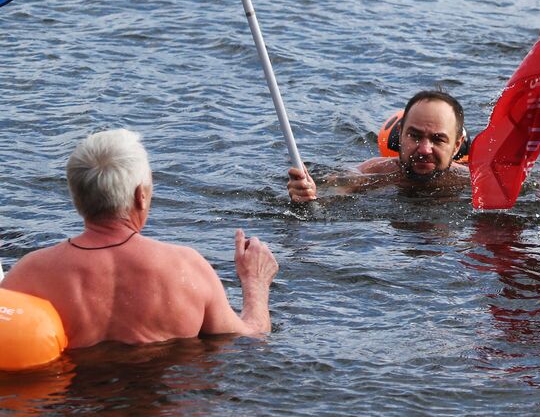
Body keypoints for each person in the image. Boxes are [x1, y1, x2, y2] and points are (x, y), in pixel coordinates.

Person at [1, 129, 278, 348]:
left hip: (70, 413)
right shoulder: (186, 268)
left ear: (76, 197)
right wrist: (255, 282)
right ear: (140, 195)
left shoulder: (31, 273)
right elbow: (251, 338)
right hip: (161, 413)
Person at [287, 89, 469, 203]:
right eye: (414, 136)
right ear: (400, 134)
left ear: (456, 146)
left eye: (438, 139)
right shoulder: (374, 173)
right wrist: (308, 195)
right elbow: (335, 191)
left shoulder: (471, 181)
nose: (424, 149)